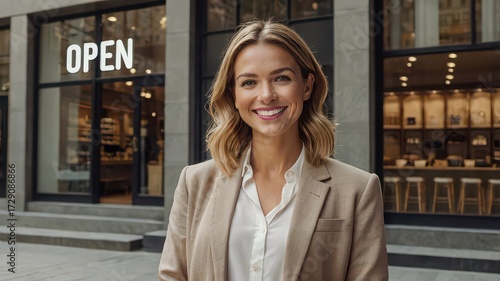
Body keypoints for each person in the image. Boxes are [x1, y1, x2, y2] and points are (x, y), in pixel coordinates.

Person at [158, 19, 388, 281]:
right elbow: (172, 276)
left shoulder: (358, 189)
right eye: (249, 82)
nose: (266, 95)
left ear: (307, 86)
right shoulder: (195, 182)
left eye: (281, 78)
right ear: (233, 94)